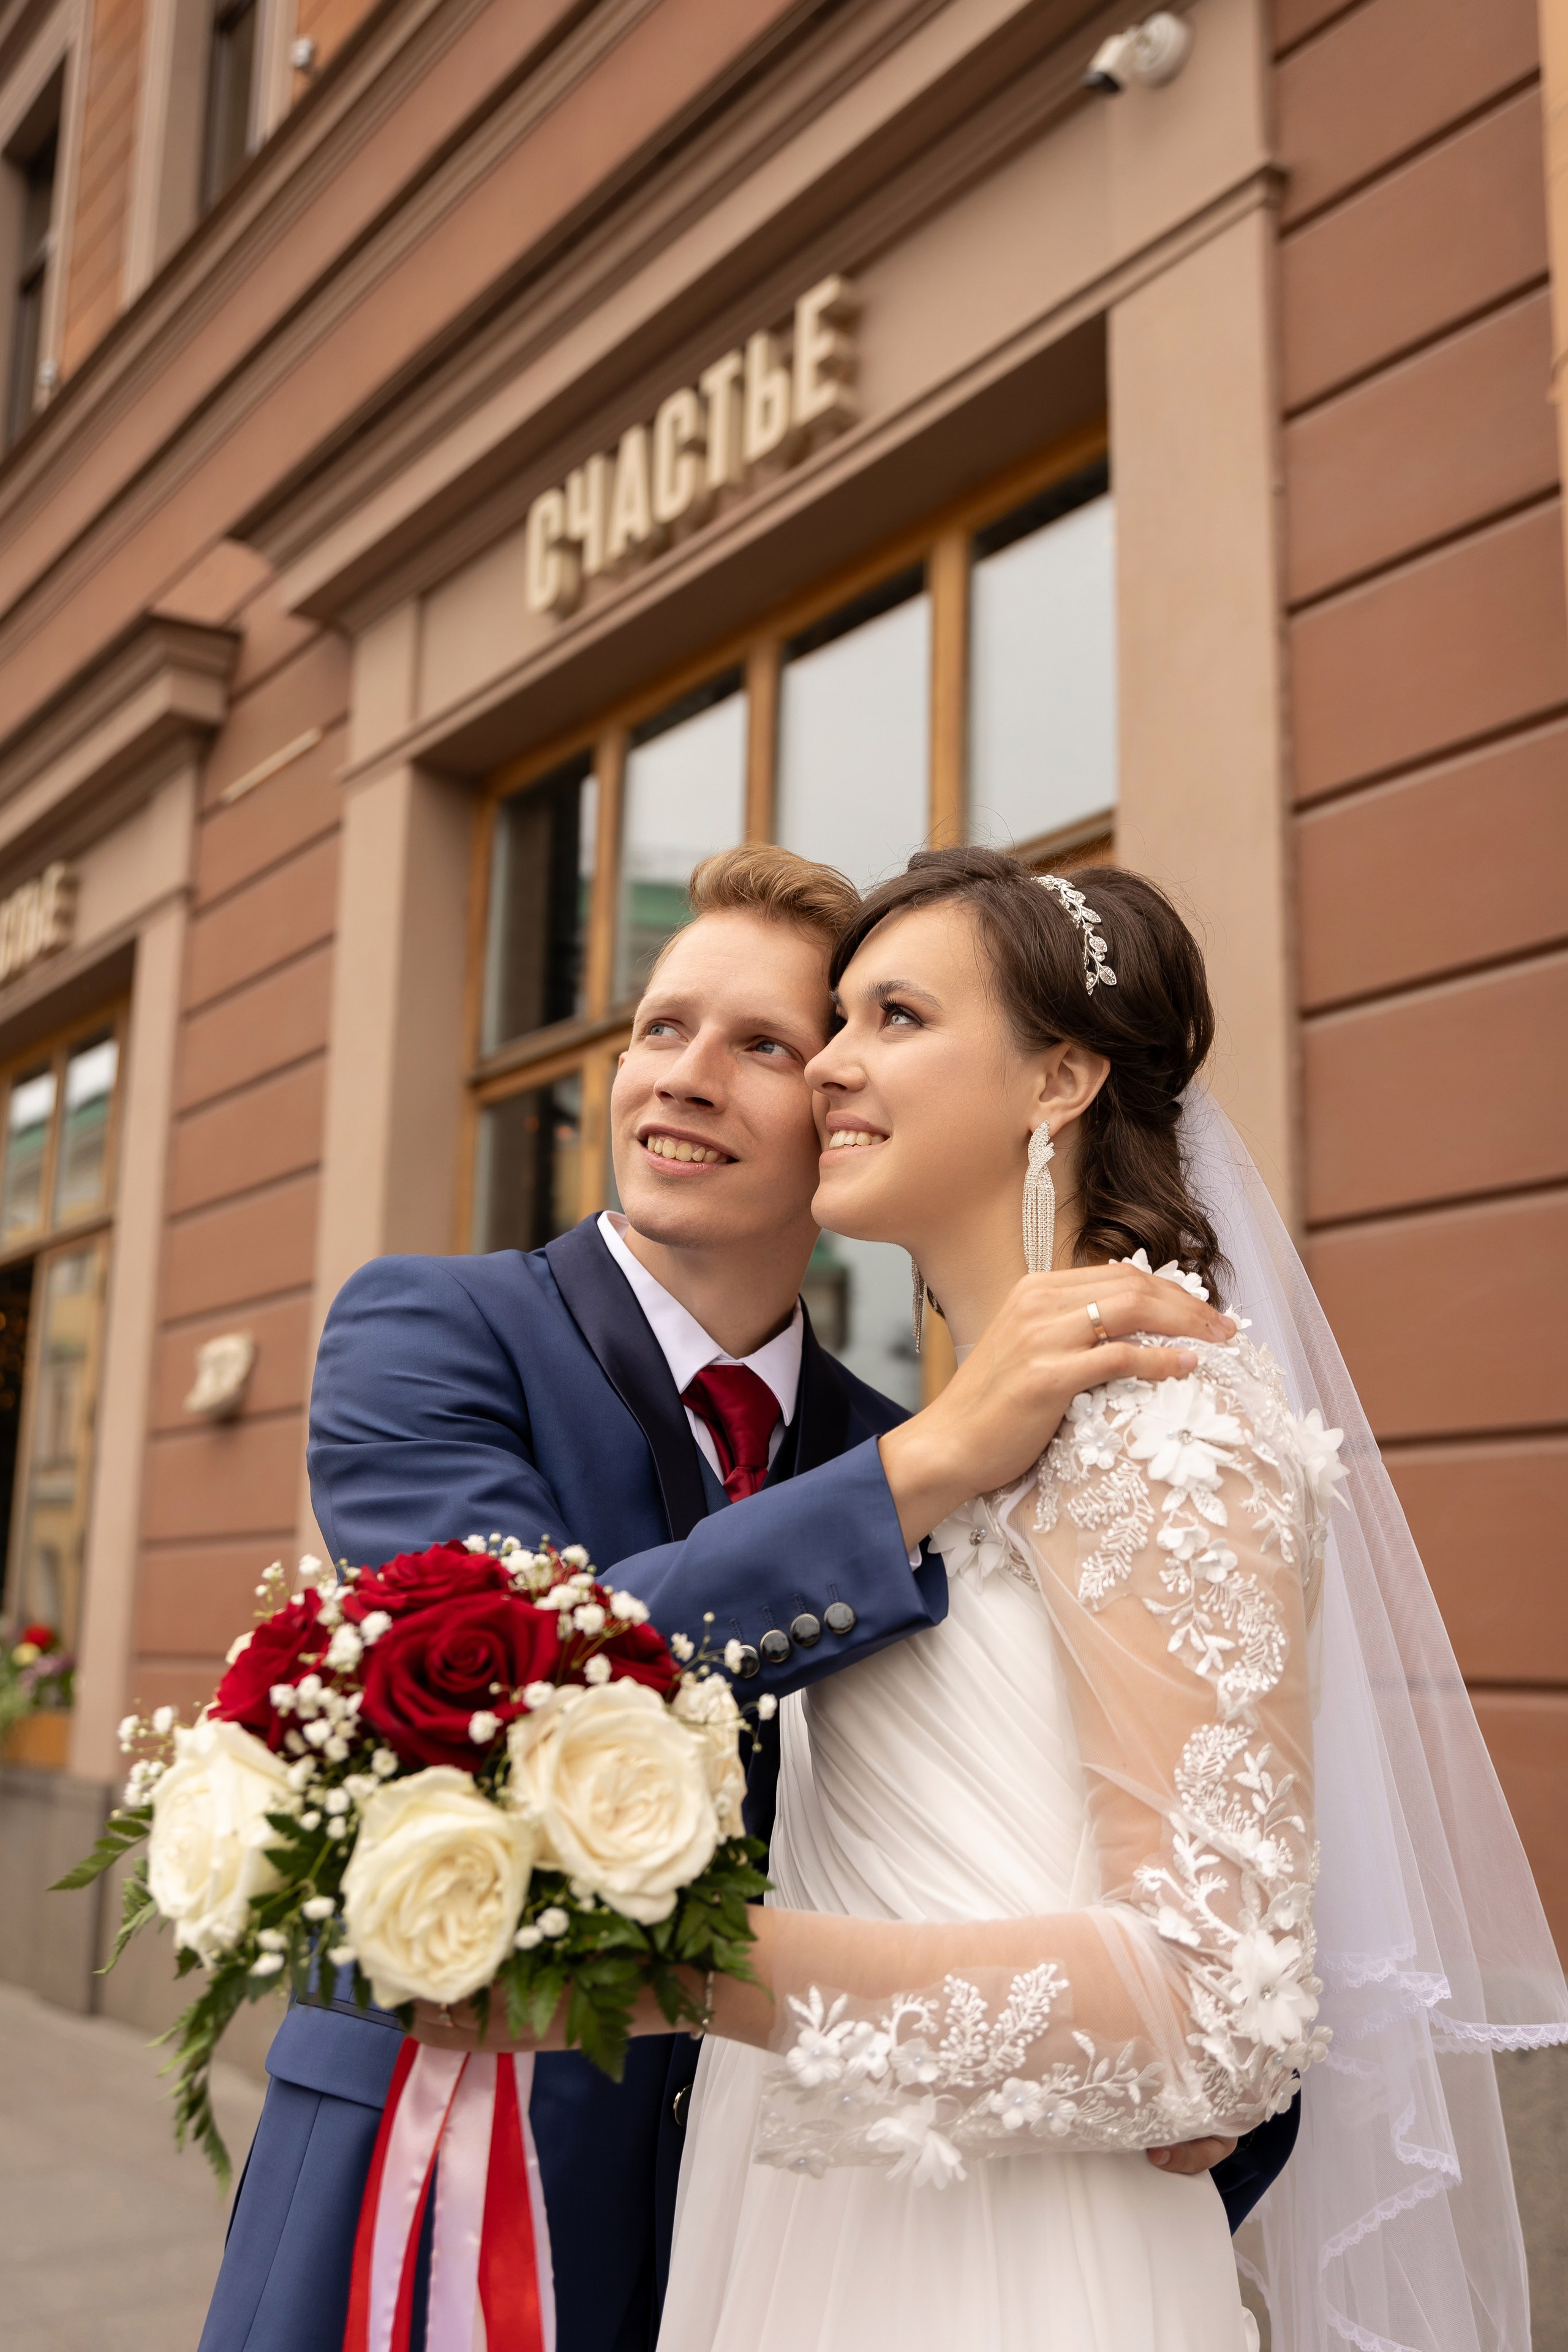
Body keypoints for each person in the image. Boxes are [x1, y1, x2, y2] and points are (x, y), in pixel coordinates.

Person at [199, 846, 1259, 2352]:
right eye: (657, 1028)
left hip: (786, 2209)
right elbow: (516, 1692)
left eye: (764, 1044)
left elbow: (1143, 1821)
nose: (682, 1079)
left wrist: (1207, 2106)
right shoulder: (431, 1331)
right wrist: (919, 1467)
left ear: (833, 1102)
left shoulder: (912, 1438)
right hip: (438, 2182)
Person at [643, 850, 1568, 2352]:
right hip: (810, 2209)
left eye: (893, 1017)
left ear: (1057, 1078)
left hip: (1008, 2272)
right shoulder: (920, 1450)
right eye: (837, 1024)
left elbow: (1213, 2016)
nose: (827, 1064)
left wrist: (693, 1971)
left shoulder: (1163, 1421)